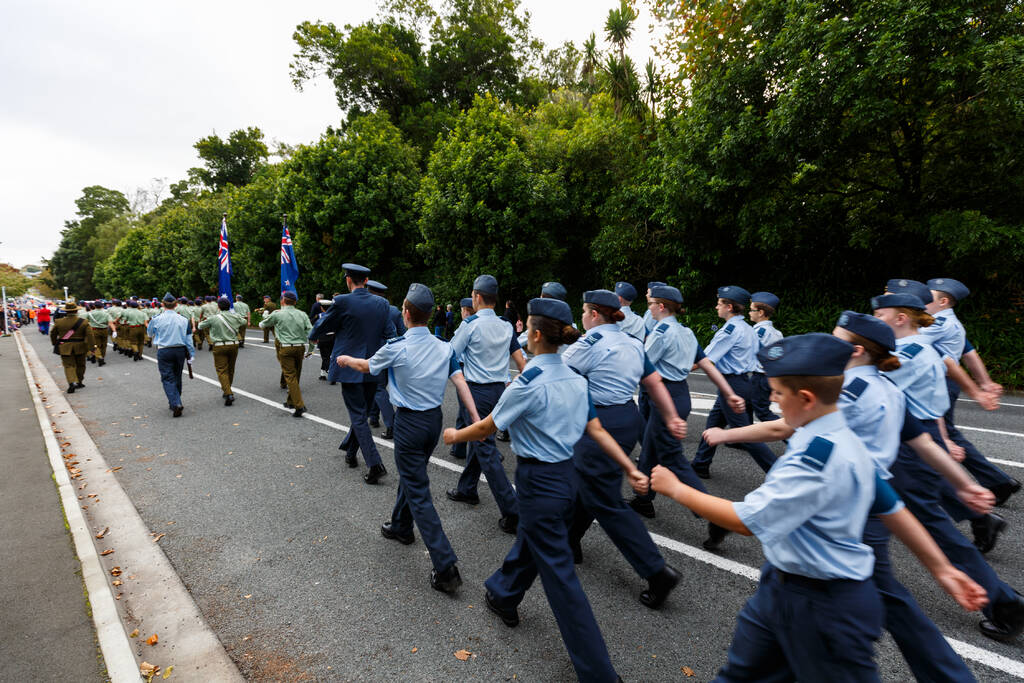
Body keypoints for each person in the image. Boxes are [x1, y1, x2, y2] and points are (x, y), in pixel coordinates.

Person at [651, 333, 989, 681]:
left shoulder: (819, 458)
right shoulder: (836, 436)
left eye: (778, 393)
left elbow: (744, 521)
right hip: (783, 588)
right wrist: (942, 569)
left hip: (824, 604)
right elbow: (890, 506)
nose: (773, 400)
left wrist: (676, 489)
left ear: (807, 398)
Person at [445, 298, 643, 683]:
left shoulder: (528, 382)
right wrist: (630, 466)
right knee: (537, 540)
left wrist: (456, 434)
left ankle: (599, 673)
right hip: (569, 479)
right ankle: (503, 593)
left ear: (535, 335)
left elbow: (488, 427)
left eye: (526, 332)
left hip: (540, 483)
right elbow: (597, 430)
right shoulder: (575, 378)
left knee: (562, 579)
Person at [872, 292, 1024, 640]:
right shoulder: (921, 348)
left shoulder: (907, 354)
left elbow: (878, 397)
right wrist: (944, 440)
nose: (875, 320)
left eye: (881, 314)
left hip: (905, 450)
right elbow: (932, 403)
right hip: (910, 443)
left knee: (934, 531)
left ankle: (1003, 603)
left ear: (901, 318)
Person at [337, 283, 480, 594]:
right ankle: (401, 526)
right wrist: (477, 418)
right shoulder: (445, 347)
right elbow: (461, 383)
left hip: (409, 423)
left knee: (418, 491)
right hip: (433, 422)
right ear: (429, 316)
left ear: (405, 313)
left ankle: (445, 567)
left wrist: (346, 359)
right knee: (413, 475)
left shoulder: (397, 346)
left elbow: (366, 366)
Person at [563, 289, 685, 608]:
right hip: (627, 418)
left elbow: (558, 374)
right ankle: (570, 540)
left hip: (600, 421)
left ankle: (657, 571)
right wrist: (671, 415)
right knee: (586, 482)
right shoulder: (632, 342)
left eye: (584, 312)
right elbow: (654, 382)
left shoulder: (589, 343)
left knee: (604, 499)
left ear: (592, 314)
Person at [628, 285, 747, 520]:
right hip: (680, 394)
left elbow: (640, 365)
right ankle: (643, 500)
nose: (649, 307)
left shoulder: (662, 332)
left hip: (665, 398)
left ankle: (711, 513)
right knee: (651, 450)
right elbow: (705, 364)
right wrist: (728, 392)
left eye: (651, 303)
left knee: (674, 459)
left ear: (661, 306)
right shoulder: (687, 332)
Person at [923, 277, 1021, 504]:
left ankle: (970, 494)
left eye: (928, 297)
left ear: (944, 301)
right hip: (943, 384)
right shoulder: (945, 322)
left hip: (938, 384)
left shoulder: (939, 324)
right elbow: (970, 353)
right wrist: (984, 382)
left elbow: (903, 342)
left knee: (936, 437)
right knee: (940, 435)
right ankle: (996, 481)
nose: (922, 301)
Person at [446, 274, 527, 533]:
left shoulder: (470, 325)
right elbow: (522, 363)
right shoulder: (505, 326)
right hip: (500, 391)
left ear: (477, 297)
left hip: (477, 392)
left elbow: (450, 354)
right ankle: (467, 488)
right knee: (482, 443)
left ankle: (513, 511)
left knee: (486, 450)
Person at [309, 263, 396, 484]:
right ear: (366, 281)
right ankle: (350, 451)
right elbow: (390, 334)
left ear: (348, 280)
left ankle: (374, 463)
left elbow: (321, 327)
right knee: (362, 414)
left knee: (358, 416)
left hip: (348, 366)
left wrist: (318, 333)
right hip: (372, 365)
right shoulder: (382, 303)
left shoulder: (342, 301)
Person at [691, 286, 778, 477]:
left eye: (719, 303)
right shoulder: (748, 328)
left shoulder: (730, 330)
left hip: (732, 384)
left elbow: (706, 360)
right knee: (713, 424)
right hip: (740, 382)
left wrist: (677, 370)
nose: (716, 307)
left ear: (729, 307)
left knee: (746, 436)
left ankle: (778, 471)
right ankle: (700, 464)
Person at [261, 290, 313, 418]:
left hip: (286, 348)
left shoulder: (278, 314)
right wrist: (311, 349)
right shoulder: (302, 314)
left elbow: (263, 324)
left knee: (290, 376)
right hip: (300, 347)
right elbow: (311, 332)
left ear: (282, 301)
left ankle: (299, 405)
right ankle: (290, 401)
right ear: (295, 302)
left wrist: (265, 316)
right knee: (296, 374)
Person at [147, 293, 194, 417]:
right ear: (176, 305)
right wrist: (191, 355)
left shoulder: (156, 318)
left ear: (162, 305)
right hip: (180, 350)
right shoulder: (184, 319)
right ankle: (175, 401)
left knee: (167, 377)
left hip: (164, 350)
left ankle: (175, 402)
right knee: (177, 375)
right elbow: (189, 340)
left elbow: (149, 333)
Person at [199, 296, 247, 406]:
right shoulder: (235, 316)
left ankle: (228, 392)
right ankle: (227, 389)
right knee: (231, 369)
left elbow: (200, 326)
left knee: (221, 370)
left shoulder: (213, 318)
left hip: (219, 346)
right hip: (234, 344)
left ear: (218, 307)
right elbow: (244, 322)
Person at [748, 291, 783, 423]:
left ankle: (790, 435)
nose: (749, 313)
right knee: (747, 405)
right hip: (769, 376)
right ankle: (743, 439)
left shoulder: (759, 332)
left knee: (762, 412)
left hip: (761, 377)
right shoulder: (776, 333)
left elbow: (749, 352)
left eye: (751, 310)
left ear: (761, 312)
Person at [50, 299, 96, 393]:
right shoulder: (84, 322)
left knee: (68, 366)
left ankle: (71, 382)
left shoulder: (59, 321)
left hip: (65, 347)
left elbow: (53, 333)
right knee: (81, 365)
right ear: (76, 311)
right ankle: (79, 382)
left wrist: (55, 343)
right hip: (80, 346)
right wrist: (92, 348)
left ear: (66, 311)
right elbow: (90, 335)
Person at [449, 297, 475, 461]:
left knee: (467, 411)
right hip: (476, 374)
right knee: (463, 410)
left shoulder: (466, 326)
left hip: (466, 370)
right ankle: (458, 447)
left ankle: (485, 447)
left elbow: (453, 349)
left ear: (465, 310)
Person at [85, 301, 114, 366]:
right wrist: (114, 330)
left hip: (94, 330)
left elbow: (84, 321)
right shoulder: (106, 313)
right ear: (102, 306)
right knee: (104, 344)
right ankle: (102, 357)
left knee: (95, 345)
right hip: (104, 330)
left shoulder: (89, 313)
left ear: (94, 306)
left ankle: (99, 356)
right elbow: (110, 322)